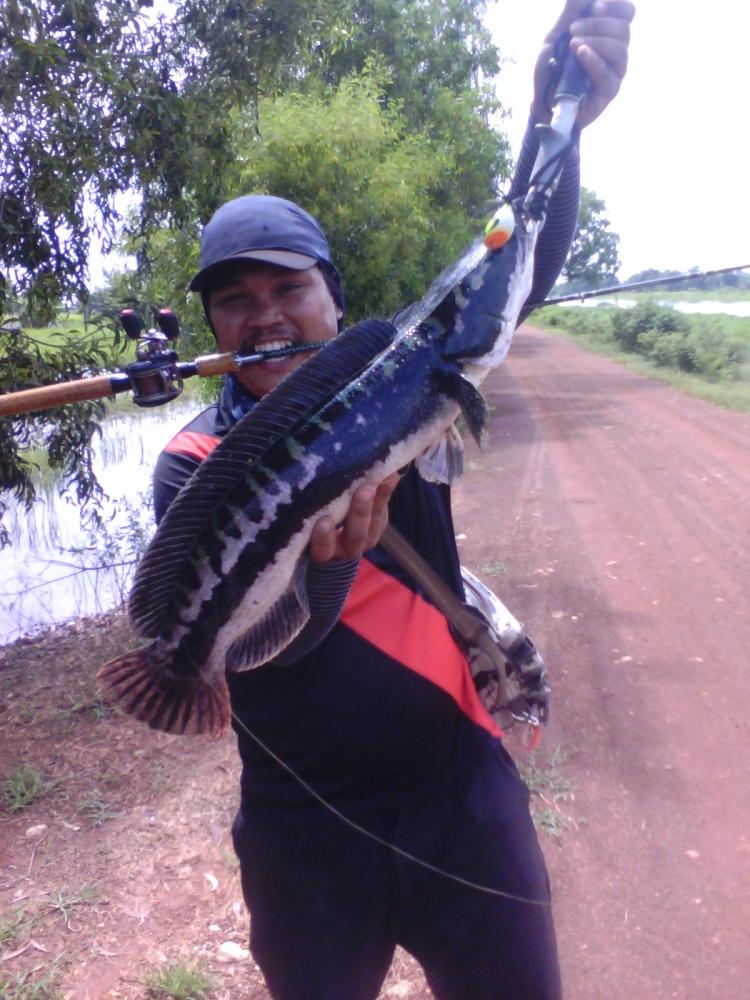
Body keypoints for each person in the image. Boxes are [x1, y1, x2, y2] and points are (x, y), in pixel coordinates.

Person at [153, 3, 634, 996]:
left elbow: (511, 276)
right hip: (302, 820)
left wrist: (560, 121)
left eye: (286, 285)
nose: (265, 313)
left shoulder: (402, 373)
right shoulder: (196, 462)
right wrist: (327, 565)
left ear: (333, 298)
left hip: (459, 787)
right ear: (214, 326)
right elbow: (273, 644)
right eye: (234, 300)